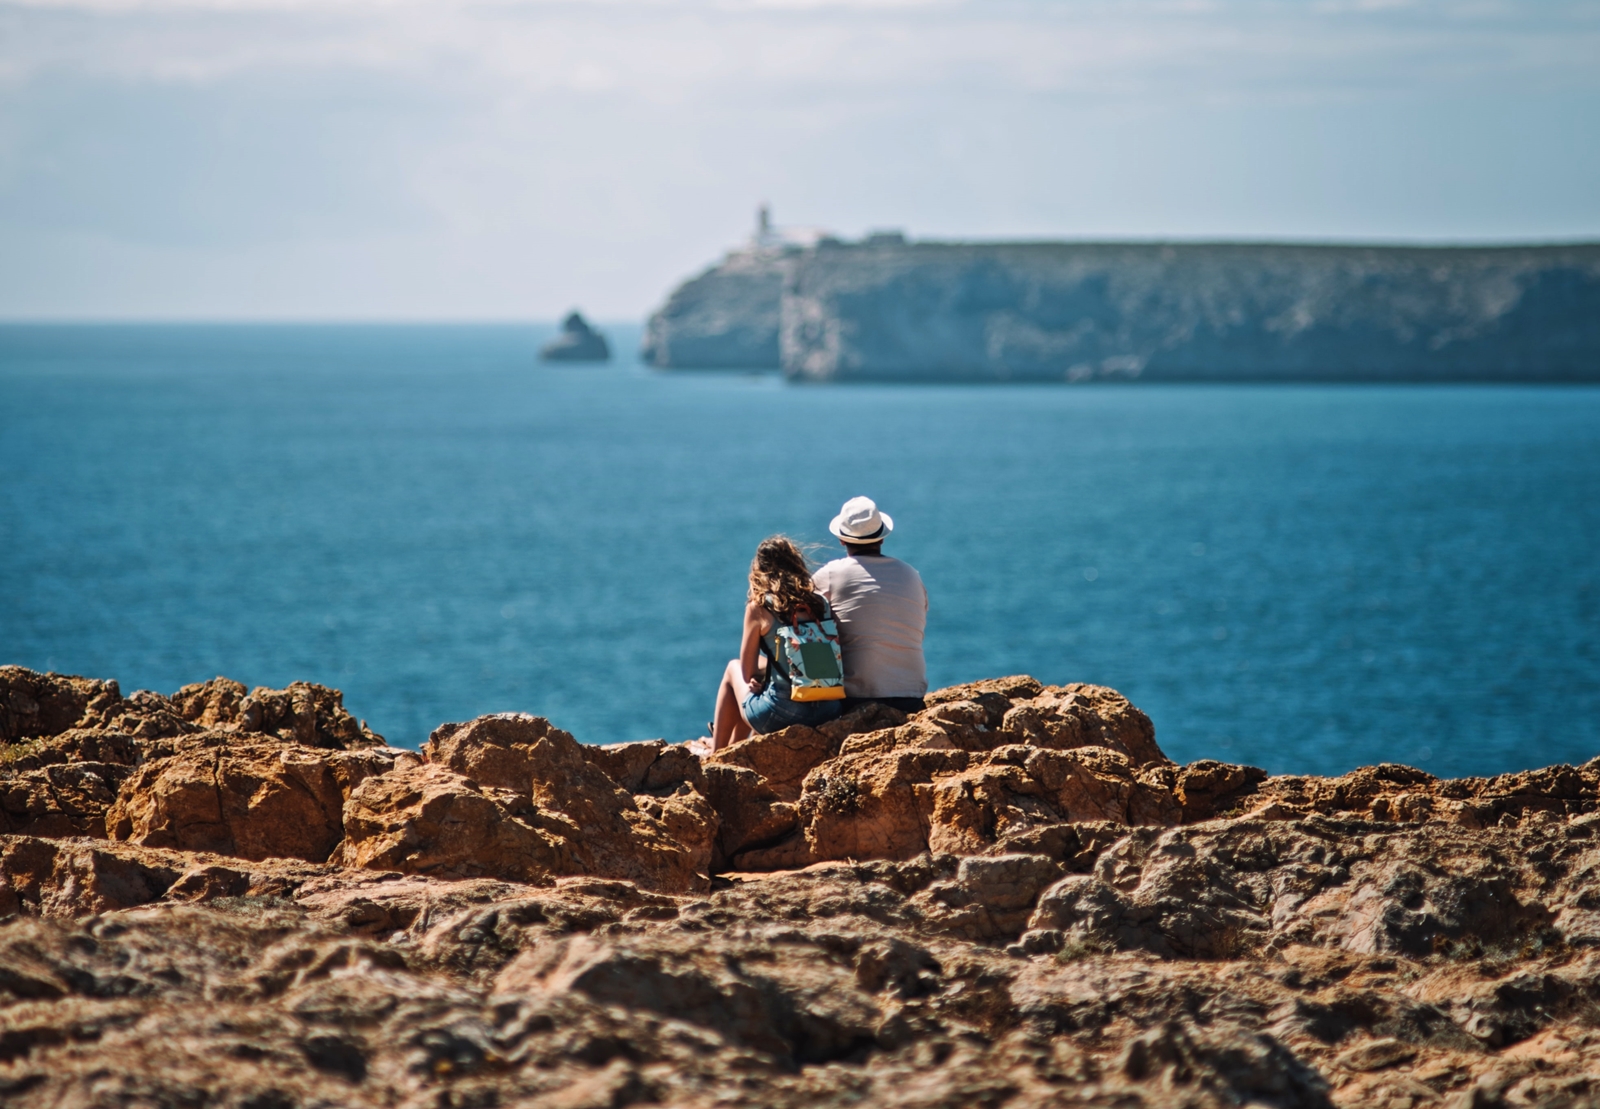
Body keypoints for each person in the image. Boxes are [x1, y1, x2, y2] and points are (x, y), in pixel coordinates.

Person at [710, 536, 845, 751]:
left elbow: (746, 673)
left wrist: (761, 678)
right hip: (829, 709)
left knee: (732, 670)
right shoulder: (821, 604)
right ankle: (734, 749)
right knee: (758, 681)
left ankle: (716, 753)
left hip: (783, 712)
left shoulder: (761, 607)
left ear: (760, 570)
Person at [813, 496, 928, 713]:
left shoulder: (830, 575)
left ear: (841, 539)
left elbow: (795, 618)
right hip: (911, 696)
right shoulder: (911, 574)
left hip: (856, 698)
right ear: (882, 538)